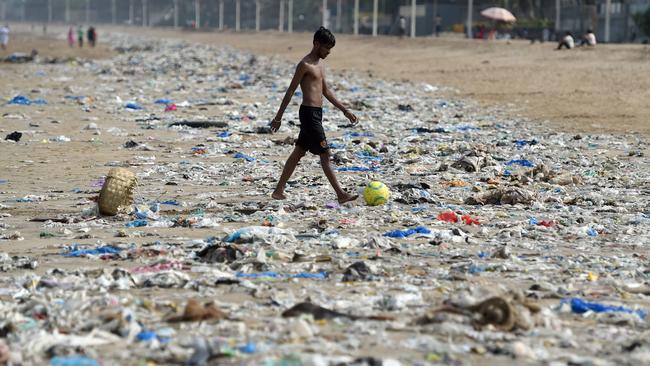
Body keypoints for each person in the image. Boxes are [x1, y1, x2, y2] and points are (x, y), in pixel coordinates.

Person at [270, 27, 359, 204]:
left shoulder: (320, 64)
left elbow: (326, 91)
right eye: (326, 48)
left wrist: (345, 110)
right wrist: (278, 117)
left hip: (317, 113)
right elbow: (290, 91)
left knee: (298, 152)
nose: (328, 52)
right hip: (308, 114)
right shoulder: (305, 65)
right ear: (316, 44)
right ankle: (341, 194)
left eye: (330, 49)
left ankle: (278, 190)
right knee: (325, 154)